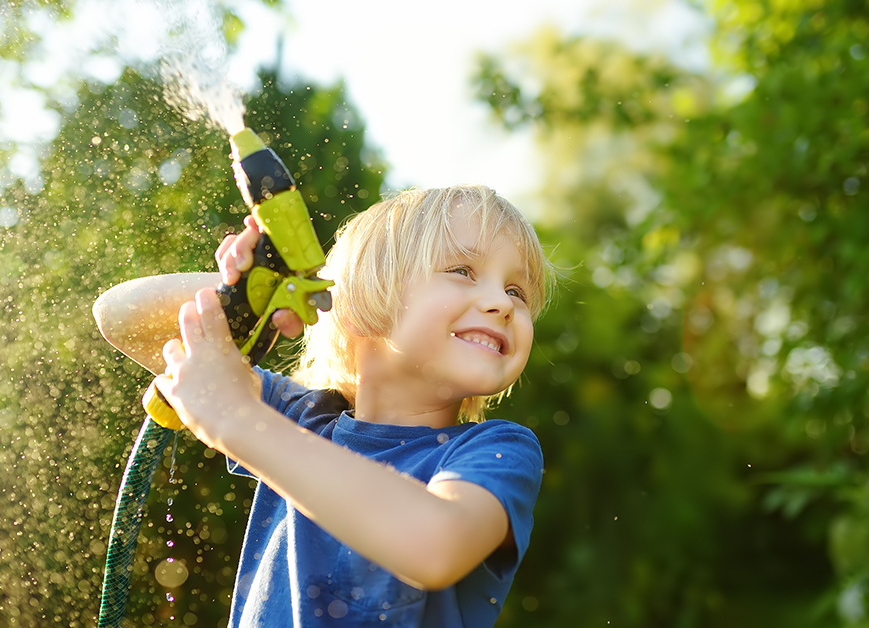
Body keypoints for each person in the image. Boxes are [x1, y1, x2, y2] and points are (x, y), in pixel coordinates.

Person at [93, 184, 553, 627]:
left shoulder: (497, 449)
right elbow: (121, 317)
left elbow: (435, 546)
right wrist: (258, 291)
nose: (501, 303)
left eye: (518, 291)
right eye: (462, 272)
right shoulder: (302, 418)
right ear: (356, 300)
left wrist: (238, 420)